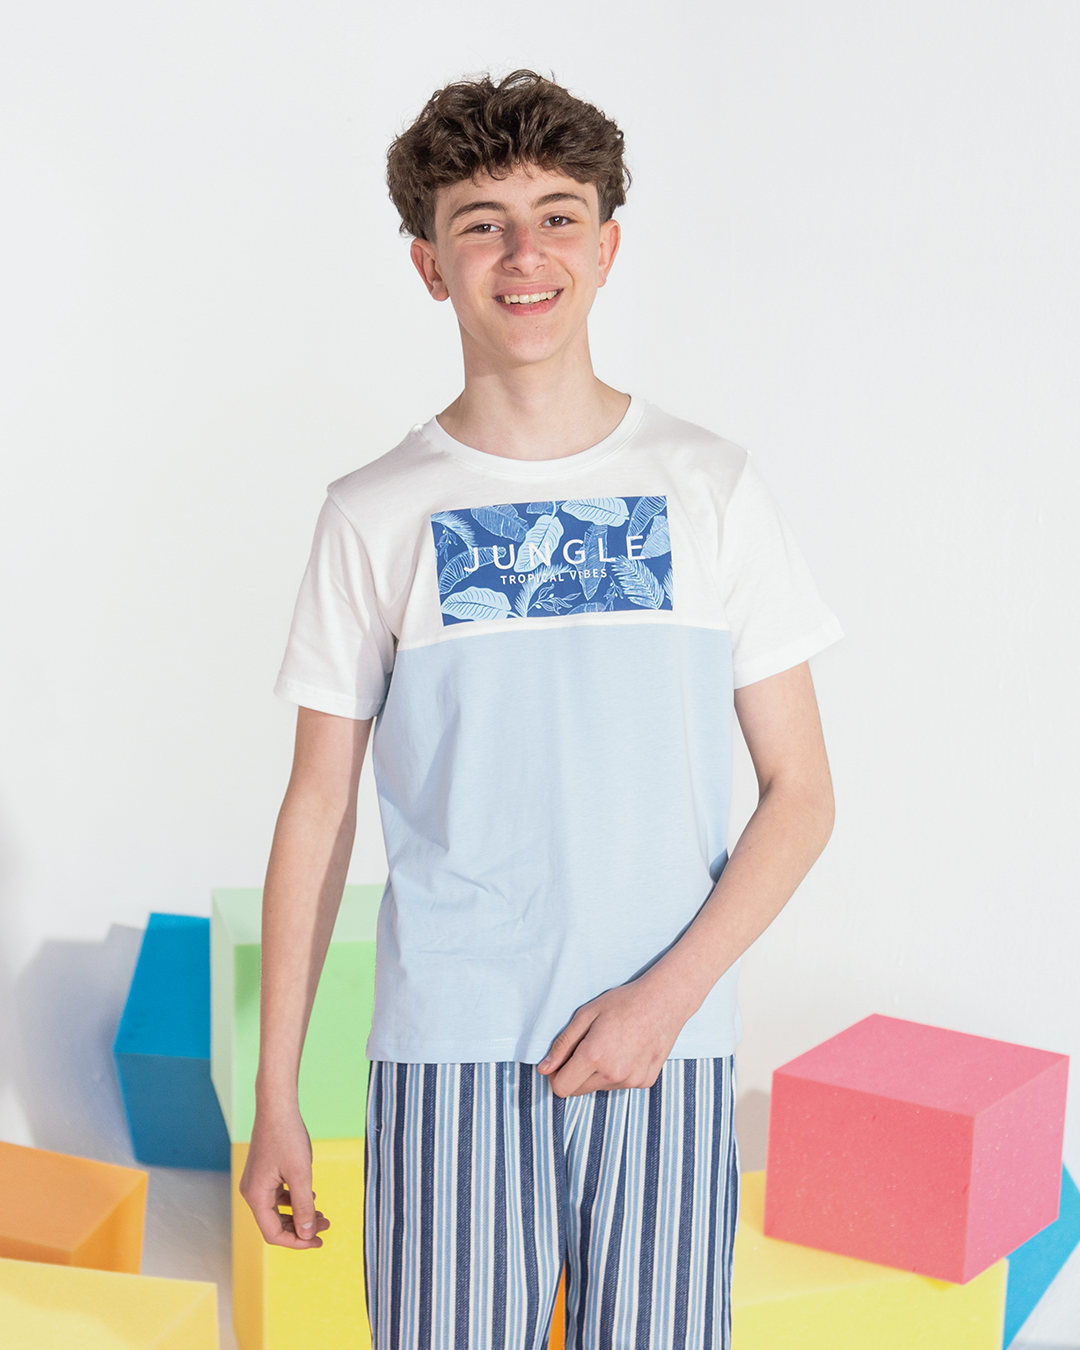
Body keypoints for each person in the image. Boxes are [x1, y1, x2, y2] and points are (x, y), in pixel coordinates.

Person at [240, 69, 841, 1350]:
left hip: (668, 1048)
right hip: (448, 1052)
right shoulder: (374, 513)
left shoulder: (710, 486)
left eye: (558, 216)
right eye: (482, 224)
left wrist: (665, 1001)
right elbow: (318, 808)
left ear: (607, 247)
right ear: (429, 265)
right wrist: (272, 1094)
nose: (525, 254)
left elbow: (802, 794)